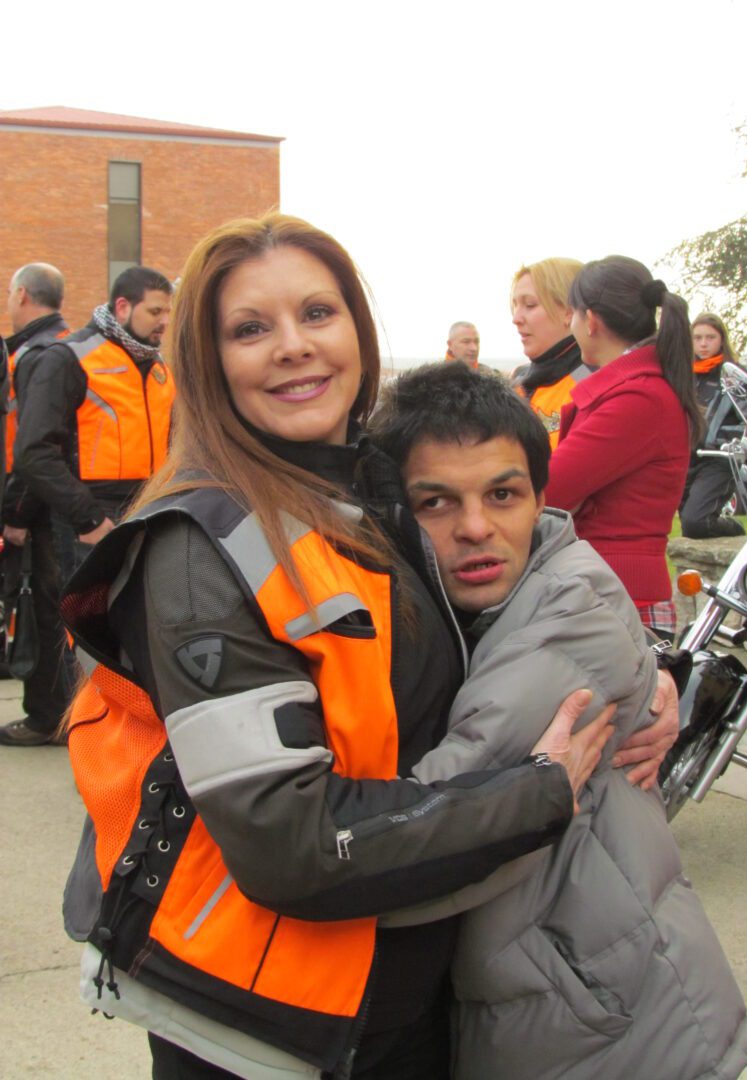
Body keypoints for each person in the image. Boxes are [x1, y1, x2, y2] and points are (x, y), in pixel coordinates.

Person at [59, 212, 620, 1080]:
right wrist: (535, 794)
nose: (294, 346)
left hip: (395, 984)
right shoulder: (197, 551)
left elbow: (481, 608)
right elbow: (292, 844)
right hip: (266, 1026)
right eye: (251, 329)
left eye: (318, 313)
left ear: (358, 330)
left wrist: (636, 678)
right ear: (208, 362)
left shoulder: (363, 492)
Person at [369, 362, 747, 1080]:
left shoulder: (559, 624)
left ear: (541, 499)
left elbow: (410, 854)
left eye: (503, 494)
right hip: (580, 991)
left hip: (596, 1021)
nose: (476, 528)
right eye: (436, 502)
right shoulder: (501, 600)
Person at [544, 257, 704, 637]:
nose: (571, 324)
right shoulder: (637, 390)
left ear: (591, 320)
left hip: (618, 597)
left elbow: (549, 490)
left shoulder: (638, 398)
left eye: (573, 314)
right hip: (608, 589)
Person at [11, 266, 175, 578]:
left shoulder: (158, 366)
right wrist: (88, 519)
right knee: (90, 608)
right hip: (94, 517)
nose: (164, 321)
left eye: (167, 312)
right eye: (155, 311)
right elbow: (33, 451)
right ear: (123, 307)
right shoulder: (69, 358)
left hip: (151, 511)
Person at [0, 263, 73, 747]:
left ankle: (47, 717)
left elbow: (32, 446)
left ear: (22, 294)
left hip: (42, 509)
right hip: (71, 502)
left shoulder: (36, 354)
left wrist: (16, 514)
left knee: (41, 612)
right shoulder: (74, 346)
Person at [680, 313, 747, 538]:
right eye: (698, 337)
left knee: (695, 521)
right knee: (688, 526)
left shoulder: (736, 377)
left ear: (721, 340)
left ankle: (735, 530)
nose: (704, 343)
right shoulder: (683, 375)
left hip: (718, 458)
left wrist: (744, 447)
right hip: (685, 457)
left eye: (710, 337)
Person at [510, 258, 591, 448]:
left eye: (530, 305)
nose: (516, 318)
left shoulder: (589, 382)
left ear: (569, 312)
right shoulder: (519, 380)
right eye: (515, 305)